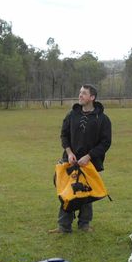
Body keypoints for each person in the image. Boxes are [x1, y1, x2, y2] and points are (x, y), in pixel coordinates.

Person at [49, 84, 112, 233]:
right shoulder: (72, 115)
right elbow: (64, 135)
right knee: (66, 192)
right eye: (80, 93)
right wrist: (69, 153)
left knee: (85, 193)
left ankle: (84, 224)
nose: (80, 95)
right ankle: (63, 226)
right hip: (69, 161)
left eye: (84, 93)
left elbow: (105, 142)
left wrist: (89, 156)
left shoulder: (103, 119)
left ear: (92, 97)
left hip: (89, 163)